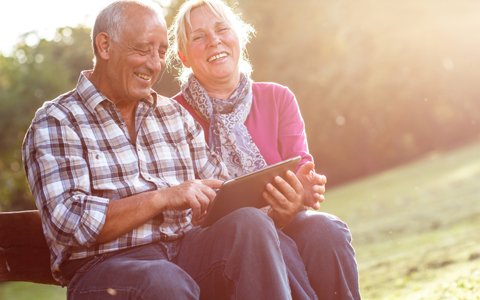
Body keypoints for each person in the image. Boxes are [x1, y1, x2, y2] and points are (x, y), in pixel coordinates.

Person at [22, 1, 306, 299]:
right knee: (164, 279)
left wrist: (275, 203)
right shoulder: (56, 121)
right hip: (102, 267)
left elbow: (222, 189)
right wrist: (163, 197)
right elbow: (70, 222)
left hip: (182, 251)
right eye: (143, 50)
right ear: (104, 46)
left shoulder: (173, 115)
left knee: (249, 224)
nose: (155, 64)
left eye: (161, 53)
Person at [167, 0, 361, 299]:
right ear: (183, 56)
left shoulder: (277, 97)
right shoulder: (170, 115)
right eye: (199, 37)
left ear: (240, 38)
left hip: (284, 220)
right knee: (262, 233)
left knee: (326, 231)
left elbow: (301, 170)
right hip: (219, 240)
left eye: (222, 29)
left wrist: (300, 193)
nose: (214, 41)